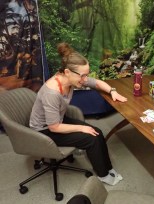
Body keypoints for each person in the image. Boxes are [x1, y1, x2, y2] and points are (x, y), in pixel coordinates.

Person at [29, 42, 127, 186]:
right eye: (83, 76)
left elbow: (98, 83)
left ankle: (108, 168)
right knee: (91, 138)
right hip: (44, 130)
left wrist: (113, 91)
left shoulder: (71, 78)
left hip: (57, 120)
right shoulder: (52, 92)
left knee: (97, 132)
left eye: (86, 75)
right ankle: (103, 175)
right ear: (67, 72)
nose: (85, 79)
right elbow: (54, 127)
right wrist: (82, 128)